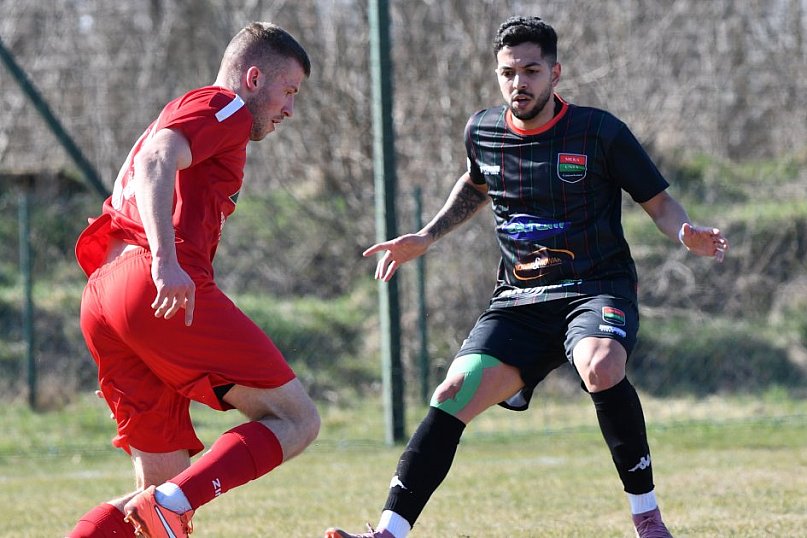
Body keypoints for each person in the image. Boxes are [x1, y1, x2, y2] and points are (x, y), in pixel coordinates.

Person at [325, 15, 728, 538]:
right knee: (451, 391)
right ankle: (388, 532)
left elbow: (660, 203)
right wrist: (425, 236)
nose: (519, 83)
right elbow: (476, 183)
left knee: (601, 364)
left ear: (555, 73)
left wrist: (685, 233)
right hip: (520, 298)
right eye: (508, 73)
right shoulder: (483, 130)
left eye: (531, 71)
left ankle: (647, 520)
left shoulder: (599, 132)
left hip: (595, 287)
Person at [67, 22, 319, 538]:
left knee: (156, 494)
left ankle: (165, 505)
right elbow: (157, 159)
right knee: (296, 420)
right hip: (152, 283)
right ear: (253, 78)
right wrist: (164, 260)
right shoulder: (224, 106)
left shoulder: (187, 112)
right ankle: (171, 506)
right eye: (288, 91)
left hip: (107, 295)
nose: (290, 109)